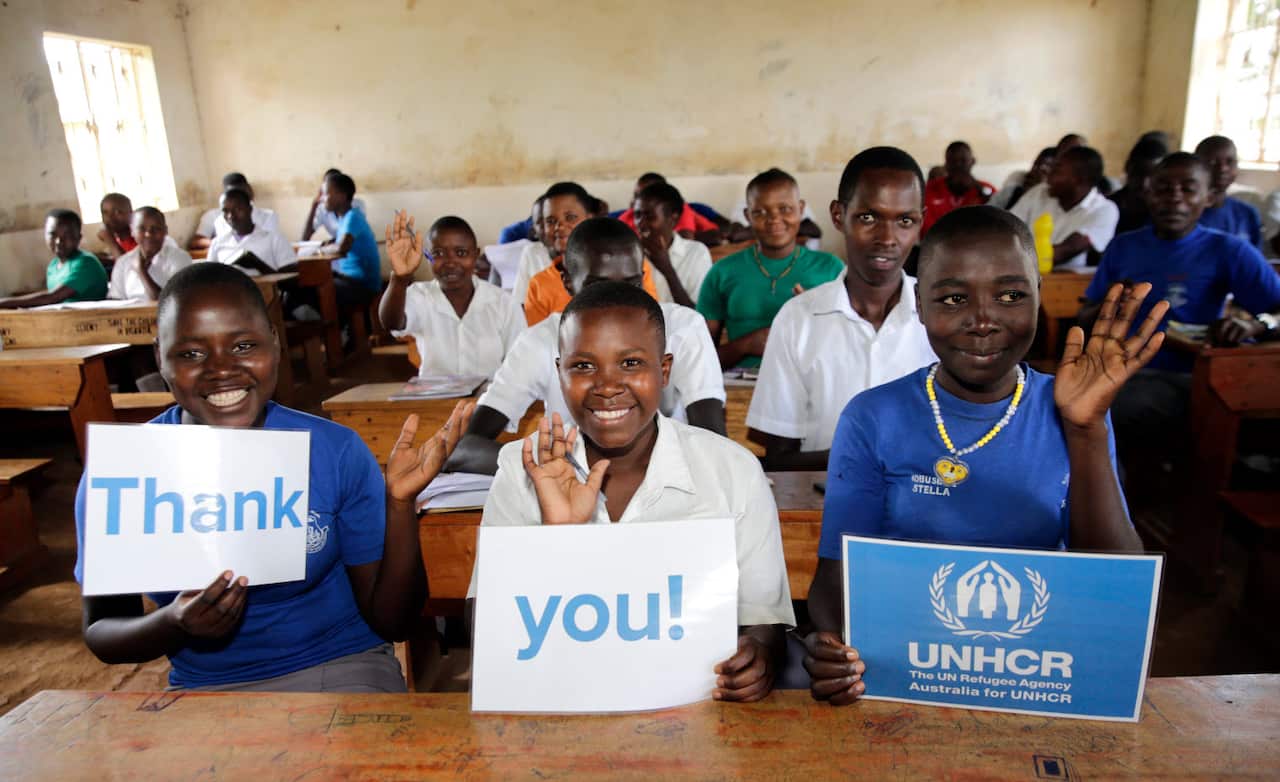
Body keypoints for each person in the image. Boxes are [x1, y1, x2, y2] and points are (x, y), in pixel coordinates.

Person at [801, 205, 1160, 706]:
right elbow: (836, 577)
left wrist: (1086, 429)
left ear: (1038, 295)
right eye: (952, 298)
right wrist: (837, 647)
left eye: (1011, 295)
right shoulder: (873, 417)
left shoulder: (1073, 408)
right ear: (919, 306)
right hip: (908, 673)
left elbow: (1116, 587)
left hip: (1037, 671)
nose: (984, 321)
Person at [74, 262, 470, 691]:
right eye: (191, 353)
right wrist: (174, 623)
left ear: (275, 345)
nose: (221, 369)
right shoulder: (126, 472)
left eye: (244, 346)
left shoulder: (333, 451)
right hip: (205, 685)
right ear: (159, 358)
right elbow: (103, 633)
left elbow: (394, 621)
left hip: (338, 666)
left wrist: (398, 506)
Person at [473, 280, 794, 702]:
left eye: (630, 363)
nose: (607, 386)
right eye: (584, 366)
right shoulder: (524, 469)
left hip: (695, 707)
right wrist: (553, 540)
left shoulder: (731, 471)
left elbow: (762, 623)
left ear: (664, 370)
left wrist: (758, 657)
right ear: (559, 372)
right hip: (560, 700)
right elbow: (482, 632)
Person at [447, 218, 725, 475]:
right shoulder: (541, 341)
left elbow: (713, 442)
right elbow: (465, 447)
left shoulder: (684, 328)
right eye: (598, 287)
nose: (618, 303)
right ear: (567, 281)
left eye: (631, 285)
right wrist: (564, 471)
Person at [747, 147, 936, 470]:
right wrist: (881, 462)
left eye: (904, 220)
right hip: (826, 510)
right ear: (838, 216)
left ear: (920, 221)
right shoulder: (798, 320)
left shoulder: (943, 315)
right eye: (868, 217)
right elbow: (779, 457)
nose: (887, 238)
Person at [1079, 153, 1280, 456]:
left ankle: (1110, 497)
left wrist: (1253, 324)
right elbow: (1083, 319)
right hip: (1117, 367)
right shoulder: (1124, 246)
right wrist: (1110, 302)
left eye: (1188, 189)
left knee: (1104, 411)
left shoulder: (1228, 250)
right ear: (1148, 193)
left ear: (1210, 197)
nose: (1174, 198)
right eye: (1163, 188)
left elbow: (1276, 311)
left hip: (1187, 377)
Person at [697, 168, 844, 369]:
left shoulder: (831, 268)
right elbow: (701, 361)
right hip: (741, 390)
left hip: (810, 385)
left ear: (801, 210)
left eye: (785, 209)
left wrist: (818, 316)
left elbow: (848, 348)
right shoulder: (722, 272)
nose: (774, 219)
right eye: (760, 212)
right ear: (747, 216)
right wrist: (745, 346)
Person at [379, 212, 522, 378]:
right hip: (435, 399)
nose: (450, 262)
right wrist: (400, 278)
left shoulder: (503, 303)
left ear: (475, 255)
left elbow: (519, 359)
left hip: (488, 399)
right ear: (427, 256)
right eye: (438, 254)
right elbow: (392, 323)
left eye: (461, 253)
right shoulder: (419, 295)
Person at [523, 185, 658, 326]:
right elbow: (537, 336)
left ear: (590, 217)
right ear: (567, 281)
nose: (559, 226)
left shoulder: (632, 265)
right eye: (550, 221)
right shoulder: (539, 285)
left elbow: (649, 318)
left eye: (570, 217)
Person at [1010, 146, 1119, 269]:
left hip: (1064, 282)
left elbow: (1065, 251)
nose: (1048, 175)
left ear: (1079, 180)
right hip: (1021, 272)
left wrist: (1010, 260)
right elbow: (1006, 229)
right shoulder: (1039, 193)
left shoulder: (1104, 210)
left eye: (1057, 171)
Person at [0, 209, 107, 308]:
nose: (58, 242)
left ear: (78, 238)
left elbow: (53, 297)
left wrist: (4, 303)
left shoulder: (86, 263)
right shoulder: (53, 266)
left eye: (67, 235)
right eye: (52, 235)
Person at [632, 181, 713, 308]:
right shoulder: (630, 253)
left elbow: (698, 317)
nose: (640, 224)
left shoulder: (696, 253)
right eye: (637, 215)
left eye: (650, 216)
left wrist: (667, 269)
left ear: (673, 218)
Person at [317, 173, 382, 308]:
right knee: (314, 284)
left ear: (341, 196)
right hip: (351, 280)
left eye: (327, 194)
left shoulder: (353, 217)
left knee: (316, 290)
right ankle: (340, 325)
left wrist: (320, 250)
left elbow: (342, 247)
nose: (323, 199)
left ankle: (336, 327)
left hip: (363, 285)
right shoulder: (344, 219)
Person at [107, 207, 193, 301]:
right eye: (141, 229)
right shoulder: (123, 262)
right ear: (132, 231)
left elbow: (169, 304)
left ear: (165, 231)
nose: (148, 234)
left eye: (156, 228)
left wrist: (141, 271)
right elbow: (116, 302)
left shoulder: (180, 258)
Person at [615, 173, 723, 245]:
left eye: (649, 194)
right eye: (636, 195)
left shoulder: (678, 209)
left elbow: (685, 238)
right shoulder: (632, 213)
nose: (638, 200)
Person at [206, 188, 296, 275]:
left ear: (250, 209)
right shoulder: (217, 243)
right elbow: (208, 280)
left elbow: (291, 282)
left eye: (237, 209)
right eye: (225, 211)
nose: (231, 216)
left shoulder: (274, 239)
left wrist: (257, 264)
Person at [1195, 136, 1263, 249]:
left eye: (1230, 162)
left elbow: (1255, 260)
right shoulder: (1184, 215)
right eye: (1212, 162)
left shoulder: (1247, 214)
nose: (1223, 168)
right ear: (1196, 166)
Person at [922, 142, 994, 233]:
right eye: (953, 161)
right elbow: (926, 229)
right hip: (937, 244)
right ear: (946, 164)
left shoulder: (986, 188)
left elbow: (1000, 219)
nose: (958, 165)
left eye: (963, 160)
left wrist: (980, 189)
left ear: (973, 161)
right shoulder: (930, 189)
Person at [1109, 137, 1168, 235]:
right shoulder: (1107, 206)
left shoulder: (1165, 214)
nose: (1144, 183)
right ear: (1127, 167)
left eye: (1152, 175)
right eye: (1138, 173)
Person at [301, 168, 368, 241]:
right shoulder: (323, 208)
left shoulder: (355, 209)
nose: (324, 196)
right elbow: (305, 238)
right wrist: (314, 206)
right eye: (325, 190)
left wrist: (332, 242)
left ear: (341, 193)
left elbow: (350, 239)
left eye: (329, 191)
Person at [990, 147, 1055, 210]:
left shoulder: (1047, 205)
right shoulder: (1010, 192)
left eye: (1044, 171)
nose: (1034, 171)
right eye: (1035, 164)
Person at [96, 192, 137, 262]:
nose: (110, 217)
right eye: (105, 212)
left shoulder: (139, 239)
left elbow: (128, 268)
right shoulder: (119, 239)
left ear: (131, 214)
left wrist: (110, 242)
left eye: (118, 212)